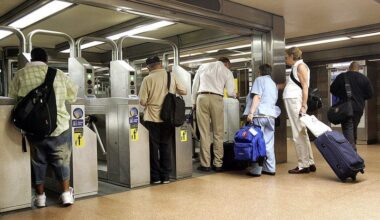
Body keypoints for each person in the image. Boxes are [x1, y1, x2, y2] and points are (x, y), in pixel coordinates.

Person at [9, 47, 78, 207]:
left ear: (31, 59)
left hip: (33, 128)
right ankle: (66, 195)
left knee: (38, 162)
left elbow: (12, 99)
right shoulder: (59, 74)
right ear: (46, 59)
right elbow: (73, 96)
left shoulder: (20, 74)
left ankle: (40, 198)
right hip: (59, 126)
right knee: (62, 161)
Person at [139, 56, 187, 184]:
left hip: (152, 117)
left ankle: (155, 177)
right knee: (166, 146)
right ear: (160, 64)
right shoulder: (171, 76)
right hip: (168, 117)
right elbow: (184, 91)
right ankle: (165, 176)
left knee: (154, 148)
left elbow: (142, 101)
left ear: (149, 67)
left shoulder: (147, 79)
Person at [191, 57, 236, 172]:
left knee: (204, 133)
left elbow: (195, 85)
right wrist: (235, 95)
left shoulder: (203, 66)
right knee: (218, 133)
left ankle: (205, 164)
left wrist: (193, 103)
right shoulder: (227, 71)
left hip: (202, 97)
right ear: (227, 64)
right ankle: (218, 164)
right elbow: (231, 92)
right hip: (217, 99)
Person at [283, 47, 316, 174]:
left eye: (286, 57)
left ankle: (303, 165)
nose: (286, 59)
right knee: (302, 132)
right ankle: (309, 162)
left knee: (298, 133)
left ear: (292, 56)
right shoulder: (296, 66)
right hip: (293, 100)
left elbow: (305, 87)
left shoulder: (300, 66)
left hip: (295, 101)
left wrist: (303, 105)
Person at [244, 64, 280, 177]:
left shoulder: (259, 80)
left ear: (260, 72)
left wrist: (251, 113)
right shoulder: (273, 83)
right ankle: (270, 168)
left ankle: (256, 170)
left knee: (256, 141)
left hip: (259, 115)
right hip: (271, 116)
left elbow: (257, 97)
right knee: (268, 142)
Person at [330, 61, 373, 151]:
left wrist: (342, 95)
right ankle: (352, 149)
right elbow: (370, 95)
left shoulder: (342, 76)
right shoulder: (364, 79)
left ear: (349, 68)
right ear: (359, 69)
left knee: (348, 129)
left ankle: (352, 154)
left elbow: (332, 89)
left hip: (345, 108)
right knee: (352, 128)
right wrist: (360, 98)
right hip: (359, 108)